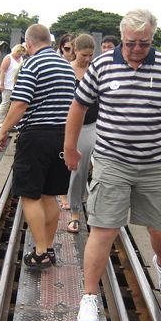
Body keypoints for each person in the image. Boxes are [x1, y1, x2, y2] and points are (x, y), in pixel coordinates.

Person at [63, 9, 161, 321]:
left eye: (144, 42)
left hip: (156, 162)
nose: (138, 49)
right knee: (103, 228)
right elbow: (79, 106)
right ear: (122, 37)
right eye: (131, 43)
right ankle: (89, 297)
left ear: (152, 38)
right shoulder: (101, 66)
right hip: (112, 161)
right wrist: (70, 148)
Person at [0, 24, 75, 268]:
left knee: (29, 195)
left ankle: (40, 251)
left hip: (36, 136)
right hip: (61, 137)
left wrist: (2, 130)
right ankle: (48, 248)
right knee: (49, 195)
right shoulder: (66, 66)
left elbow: (20, 104)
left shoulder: (32, 64)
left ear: (28, 44)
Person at [64, 34, 97, 234]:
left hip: (97, 124)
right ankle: (75, 213)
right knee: (78, 169)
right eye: (84, 55)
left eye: (91, 55)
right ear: (75, 51)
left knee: (103, 167)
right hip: (77, 127)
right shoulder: (67, 71)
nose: (88, 59)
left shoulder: (96, 71)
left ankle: (99, 212)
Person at [55, 33, 76, 209]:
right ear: (61, 48)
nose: (70, 52)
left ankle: (71, 194)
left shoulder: (84, 66)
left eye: (72, 49)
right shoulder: (57, 65)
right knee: (62, 157)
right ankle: (63, 196)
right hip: (60, 118)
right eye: (67, 48)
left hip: (79, 119)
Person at [0, 43, 26, 127]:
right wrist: (1, 83)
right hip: (8, 84)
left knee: (14, 105)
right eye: (19, 53)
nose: (20, 55)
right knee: (5, 103)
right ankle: (0, 121)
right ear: (16, 51)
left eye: (21, 54)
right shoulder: (8, 58)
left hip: (16, 85)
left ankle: (11, 122)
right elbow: (3, 71)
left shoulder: (21, 59)